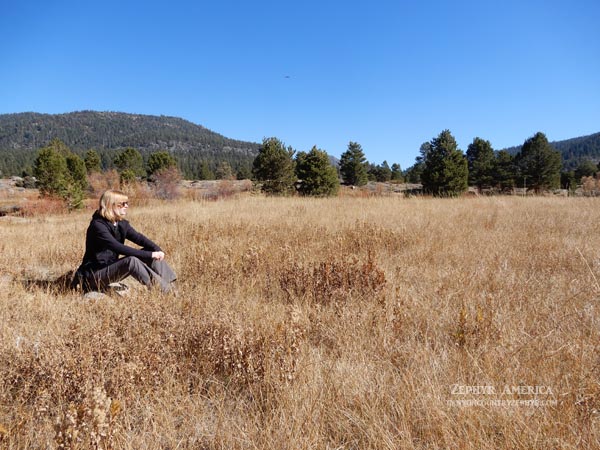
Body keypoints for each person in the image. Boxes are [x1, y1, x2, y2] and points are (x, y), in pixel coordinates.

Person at [72, 189, 176, 293]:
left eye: (127, 203)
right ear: (111, 205)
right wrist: (150, 254)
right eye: (123, 204)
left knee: (151, 252)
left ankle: (172, 286)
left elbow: (139, 238)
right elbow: (117, 247)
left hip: (108, 268)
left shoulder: (120, 223)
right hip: (93, 276)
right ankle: (164, 290)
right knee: (132, 261)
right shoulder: (98, 226)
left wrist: (157, 250)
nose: (126, 206)